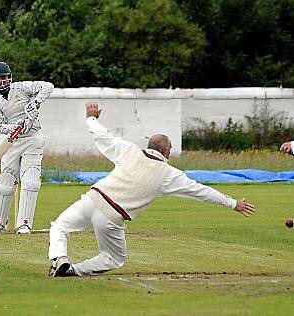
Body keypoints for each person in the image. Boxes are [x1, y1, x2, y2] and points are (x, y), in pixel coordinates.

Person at [48, 101, 256, 277]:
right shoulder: (169, 174)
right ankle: (73, 270)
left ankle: (60, 258)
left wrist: (91, 118)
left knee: (59, 226)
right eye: (171, 150)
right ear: (165, 151)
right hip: (111, 215)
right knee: (113, 259)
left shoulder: (129, 150)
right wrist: (233, 203)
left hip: (92, 199)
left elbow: (102, 136)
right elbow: (201, 191)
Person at [0, 61, 54, 235]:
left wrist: (36, 102)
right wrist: (13, 127)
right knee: (5, 181)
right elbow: (0, 126)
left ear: (9, 78)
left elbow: (48, 86)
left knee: (31, 179)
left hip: (32, 137)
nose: (1, 82)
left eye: (3, 77)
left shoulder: (22, 88)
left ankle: (24, 224)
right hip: (12, 140)